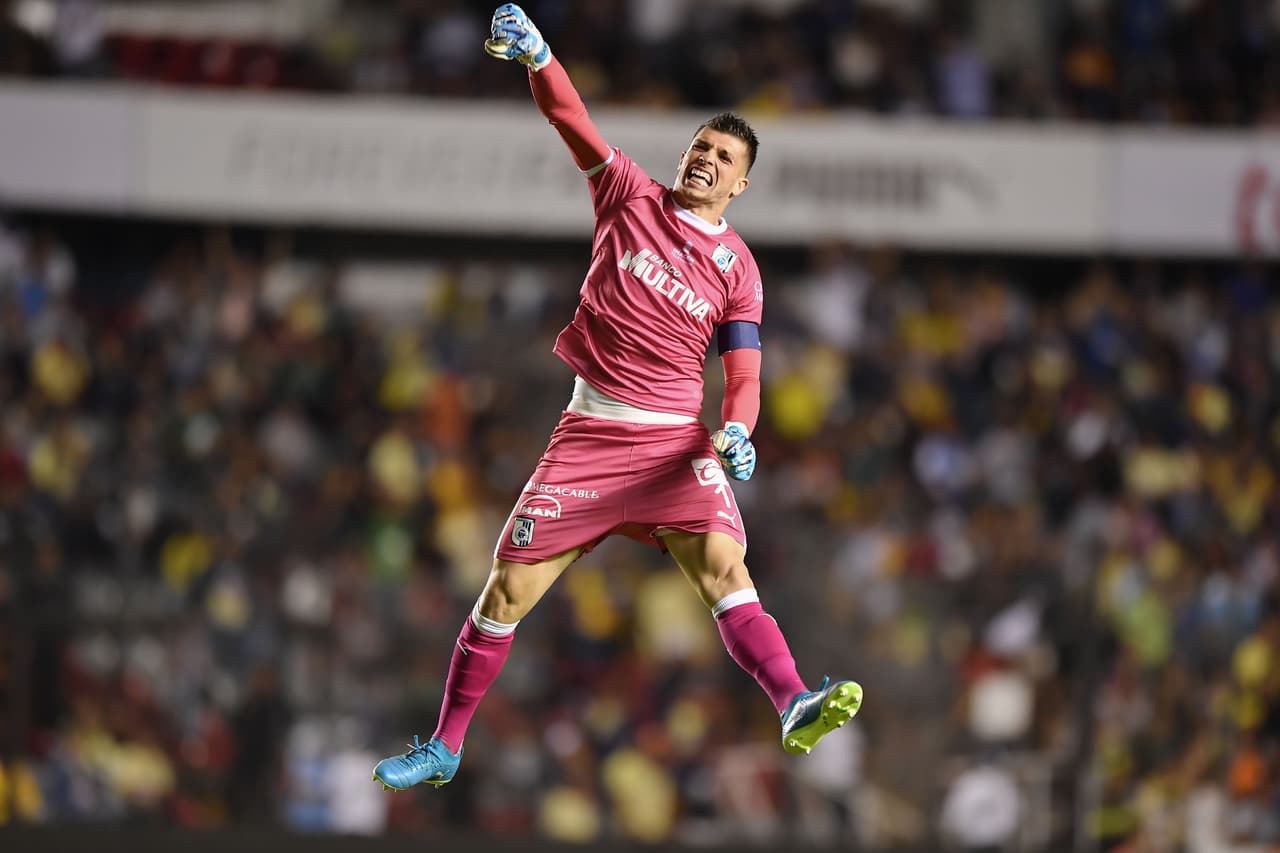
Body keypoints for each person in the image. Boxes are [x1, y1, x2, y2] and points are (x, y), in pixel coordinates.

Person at [372, 3, 862, 792]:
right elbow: (572, 117)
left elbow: (743, 370)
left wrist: (737, 431)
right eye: (700, 144)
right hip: (592, 436)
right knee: (505, 589)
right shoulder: (628, 194)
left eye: (722, 155)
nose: (703, 158)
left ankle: (793, 699)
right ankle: (445, 744)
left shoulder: (740, 270)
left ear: (742, 182)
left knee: (725, 569)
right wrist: (540, 58)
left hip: (675, 444)